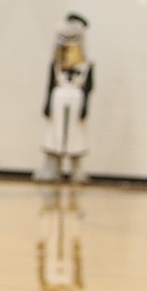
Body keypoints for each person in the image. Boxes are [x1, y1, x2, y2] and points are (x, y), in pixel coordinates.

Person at [35, 14, 94, 183]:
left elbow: (89, 87)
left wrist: (85, 106)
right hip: (58, 99)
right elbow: (50, 83)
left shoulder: (85, 64)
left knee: (77, 135)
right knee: (54, 133)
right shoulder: (56, 62)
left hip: (76, 99)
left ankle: (77, 170)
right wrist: (46, 104)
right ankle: (51, 168)